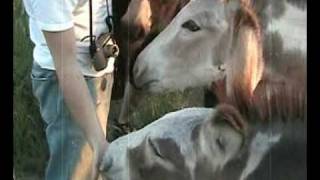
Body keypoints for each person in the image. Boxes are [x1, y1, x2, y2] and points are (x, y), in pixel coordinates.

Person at [22, 0, 111, 179]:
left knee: (91, 166)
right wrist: (97, 140)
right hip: (69, 81)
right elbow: (65, 64)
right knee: (75, 170)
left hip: (93, 71)